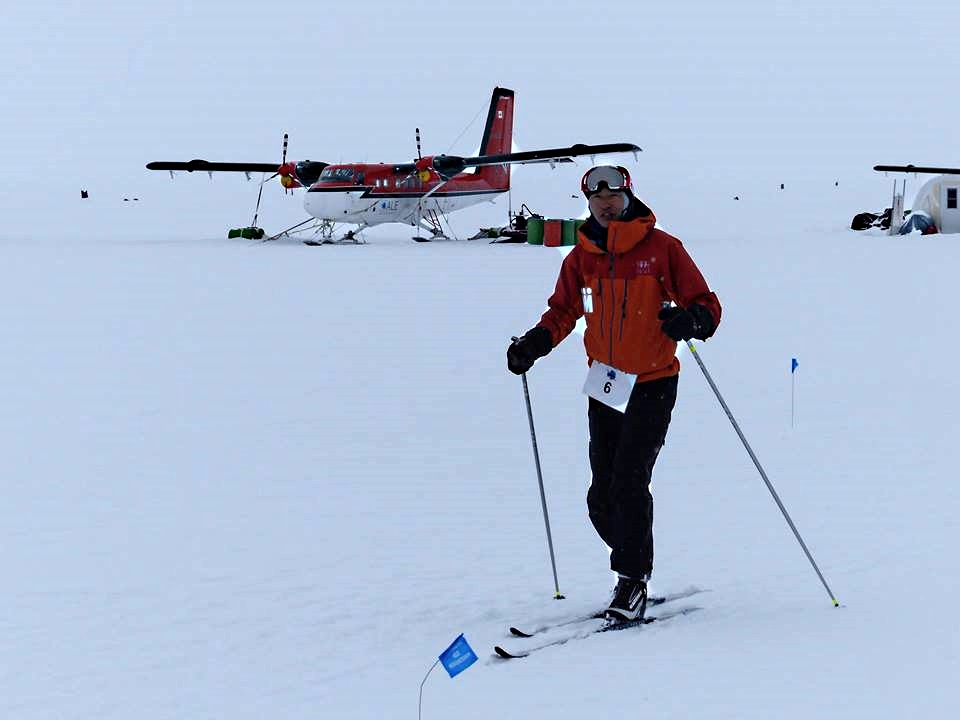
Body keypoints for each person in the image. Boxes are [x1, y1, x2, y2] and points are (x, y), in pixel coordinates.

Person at [506, 165, 721, 622]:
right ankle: (632, 550)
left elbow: (706, 304)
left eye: (614, 196)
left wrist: (693, 322)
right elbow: (564, 312)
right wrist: (534, 344)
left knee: (628, 480)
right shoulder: (581, 259)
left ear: (629, 196)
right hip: (606, 383)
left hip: (654, 381)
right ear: (587, 202)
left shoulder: (663, 250)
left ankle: (631, 578)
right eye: (596, 198)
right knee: (601, 496)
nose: (606, 204)